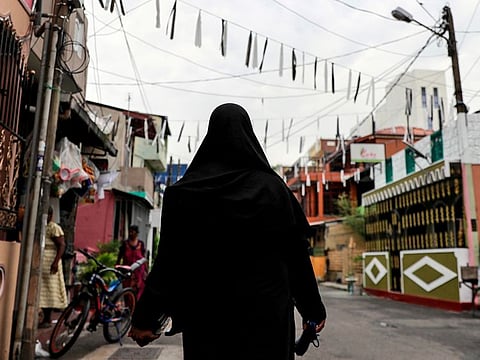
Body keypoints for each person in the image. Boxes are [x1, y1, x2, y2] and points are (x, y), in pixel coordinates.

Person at [128, 103, 327, 360]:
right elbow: (296, 257)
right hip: (268, 322)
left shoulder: (185, 194)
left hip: (208, 322)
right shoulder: (274, 191)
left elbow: (170, 261)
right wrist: (313, 310)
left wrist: (145, 318)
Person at [38, 206, 68, 328]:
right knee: (42, 290)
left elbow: (62, 245)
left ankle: (47, 318)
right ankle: (44, 317)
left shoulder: (54, 228)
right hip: (41, 262)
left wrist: (55, 262)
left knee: (50, 290)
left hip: (51, 262)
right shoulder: (41, 226)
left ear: (51, 215)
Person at [117, 225, 148, 299]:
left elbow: (144, 258)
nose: (130, 233)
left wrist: (146, 271)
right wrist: (117, 267)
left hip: (139, 272)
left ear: (137, 233)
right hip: (128, 272)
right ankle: (129, 309)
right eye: (130, 232)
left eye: (132, 232)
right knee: (127, 292)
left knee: (139, 292)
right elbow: (119, 257)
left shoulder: (141, 244)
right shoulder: (125, 244)